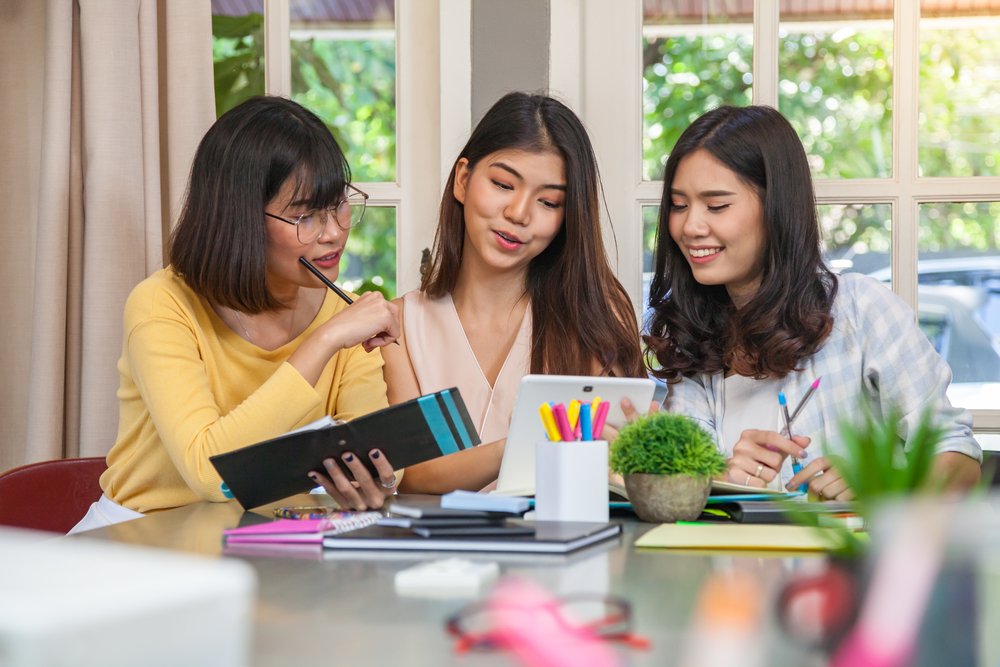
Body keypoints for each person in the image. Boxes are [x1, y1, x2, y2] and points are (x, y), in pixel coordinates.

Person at [73, 96, 401, 533]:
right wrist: (322, 343)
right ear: (242, 217)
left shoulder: (341, 313)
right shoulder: (162, 304)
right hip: (139, 535)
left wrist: (375, 480)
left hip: (262, 536)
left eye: (338, 204)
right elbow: (211, 473)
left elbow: (378, 459)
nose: (334, 232)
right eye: (305, 216)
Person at [642, 105, 981, 500]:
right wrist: (723, 478)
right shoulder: (691, 338)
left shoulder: (860, 309)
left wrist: (879, 485)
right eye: (679, 205)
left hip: (854, 561)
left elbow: (958, 458)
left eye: (716, 206)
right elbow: (683, 497)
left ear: (777, 208)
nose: (690, 227)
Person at [381, 92, 646, 494]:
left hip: (565, 549)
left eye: (549, 201)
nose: (519, 213)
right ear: (463, 180)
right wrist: (542, 439)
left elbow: (618, 467)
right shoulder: (398, 326)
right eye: (504, 184)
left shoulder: (594, 316)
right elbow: (414, 475)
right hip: (434, 555)